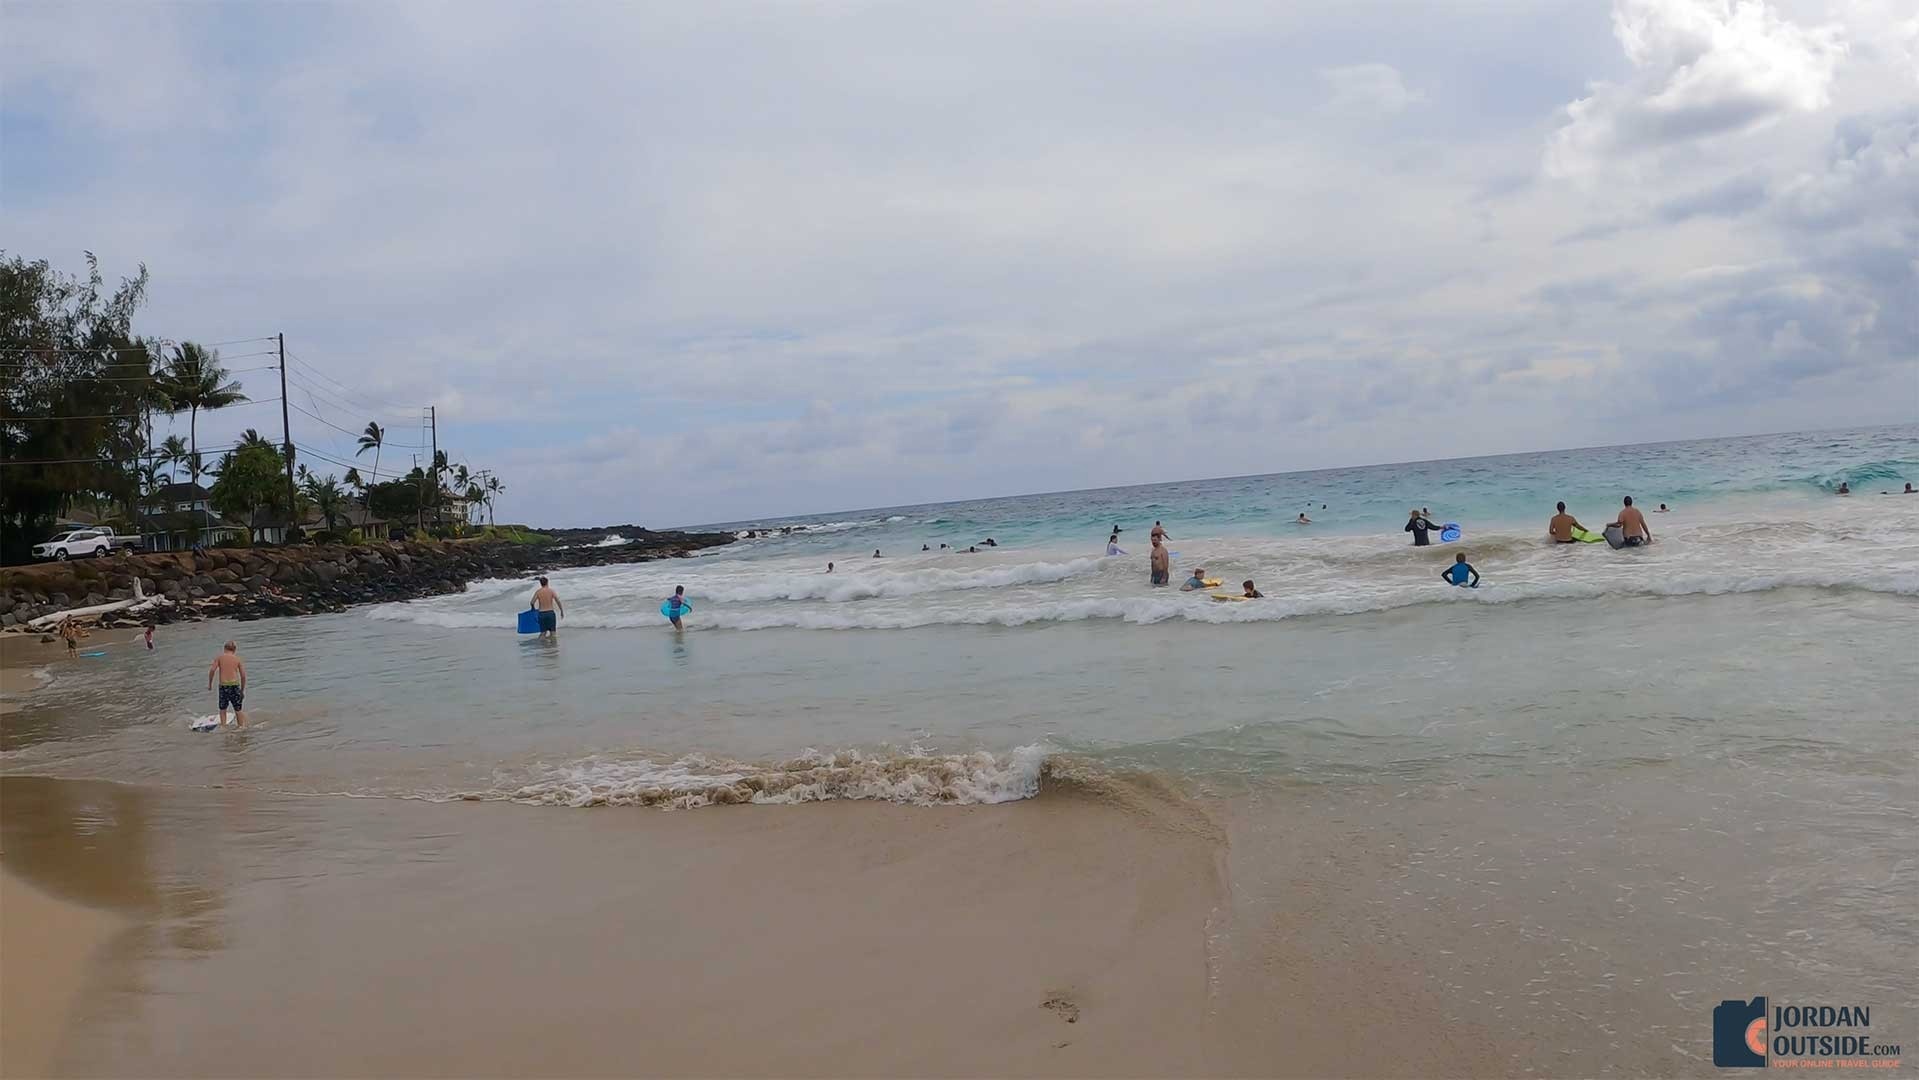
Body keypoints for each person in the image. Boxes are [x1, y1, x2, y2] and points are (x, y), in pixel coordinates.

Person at [209, 640, 247, 727]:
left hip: (223, 686)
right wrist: (242, 690)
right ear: (234, 650)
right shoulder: (237, 659)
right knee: (238, 709)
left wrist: (210, 684)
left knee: (223, 709)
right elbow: (243, 676)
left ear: (224, 648)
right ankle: (241, 727)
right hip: (234, 686)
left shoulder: (219, 658)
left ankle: (224, 727)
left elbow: (212, 670)